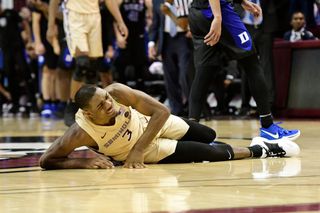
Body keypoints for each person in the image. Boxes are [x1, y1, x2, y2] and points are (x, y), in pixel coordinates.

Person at [39, 83, 300, 170]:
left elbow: (161, 111)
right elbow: (47, 160)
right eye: (101, 105)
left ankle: (205, 144)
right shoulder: (80, 132)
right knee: (211, 153)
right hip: (149, 150)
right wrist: (83, 162)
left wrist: (137, 150)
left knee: (208, 134)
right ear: (88, 113)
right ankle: (263, 149)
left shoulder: (117, 92)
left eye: (106, 97)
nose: (109, 104)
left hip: (150, 127)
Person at [187, 0, 301, 140]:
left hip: (196, 13)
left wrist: (241, 1)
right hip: (217, 12)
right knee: (252, 64)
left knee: (203, 72)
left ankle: (191, 132)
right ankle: (268, 126)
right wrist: (217, 17)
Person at [47, 0, 128, 126]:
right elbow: (54, 2)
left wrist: (120, 21)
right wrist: (50, 26)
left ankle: (92, 108)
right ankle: (72, 106)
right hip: (74, 14)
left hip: (94, 15)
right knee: (82, 64)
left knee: (92, 69)